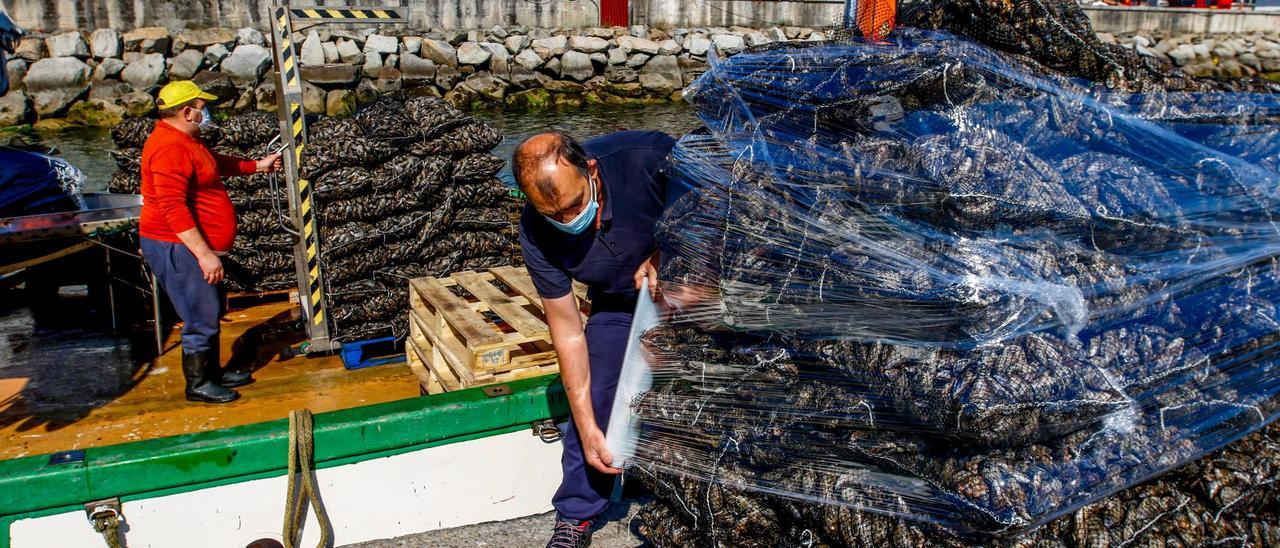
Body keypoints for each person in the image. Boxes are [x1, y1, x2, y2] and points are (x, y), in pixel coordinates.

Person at [513, 130, 680, 548]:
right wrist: (587, 428)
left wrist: (668, 251)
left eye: (573, 206)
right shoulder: (535, 230)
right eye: (554, 214)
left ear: (590, 172)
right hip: (622, 303)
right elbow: (567, 330)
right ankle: (577, 513)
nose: (568, 221)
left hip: (702, 286)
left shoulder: (647, 158)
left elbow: (718, 211)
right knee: (600, 384)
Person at [138, 80, 282, 404]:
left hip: (189, 246)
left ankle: (213, 371)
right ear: (187, 112)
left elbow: (215, 164)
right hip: (176, 246)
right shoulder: (168, 147)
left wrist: (256, 166)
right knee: (199, 314)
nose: (207, 114)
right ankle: (199, 383)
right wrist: (204, 255)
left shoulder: (188, 141)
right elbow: (171, 207)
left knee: (210, 307)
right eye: (203, 109)